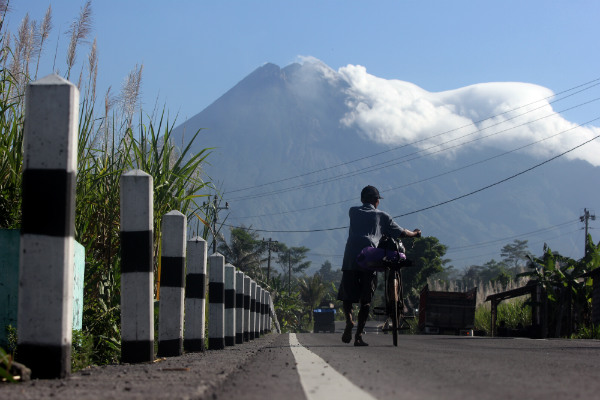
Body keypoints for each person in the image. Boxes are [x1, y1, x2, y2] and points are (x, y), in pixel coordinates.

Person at [337, 185, 421, 346]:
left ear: (362, 199)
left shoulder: (352, 211)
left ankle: (349, 320)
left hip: (350, 257)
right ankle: (359, 336)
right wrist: (416, 233)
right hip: (369, 259)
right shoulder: (383, 216)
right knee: (366, 300)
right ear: (377, 201)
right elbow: (402, 233)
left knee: (346, 296)